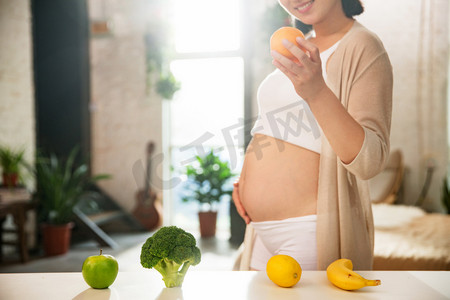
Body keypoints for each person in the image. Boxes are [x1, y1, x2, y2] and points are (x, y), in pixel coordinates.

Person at [232, 0, 393, 271]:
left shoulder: (363, 46)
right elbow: (273, 126)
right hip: (258, 230)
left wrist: (317, 91)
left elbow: (370, 160)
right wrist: (246, 181)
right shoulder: (300, 44)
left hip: (308, 232)